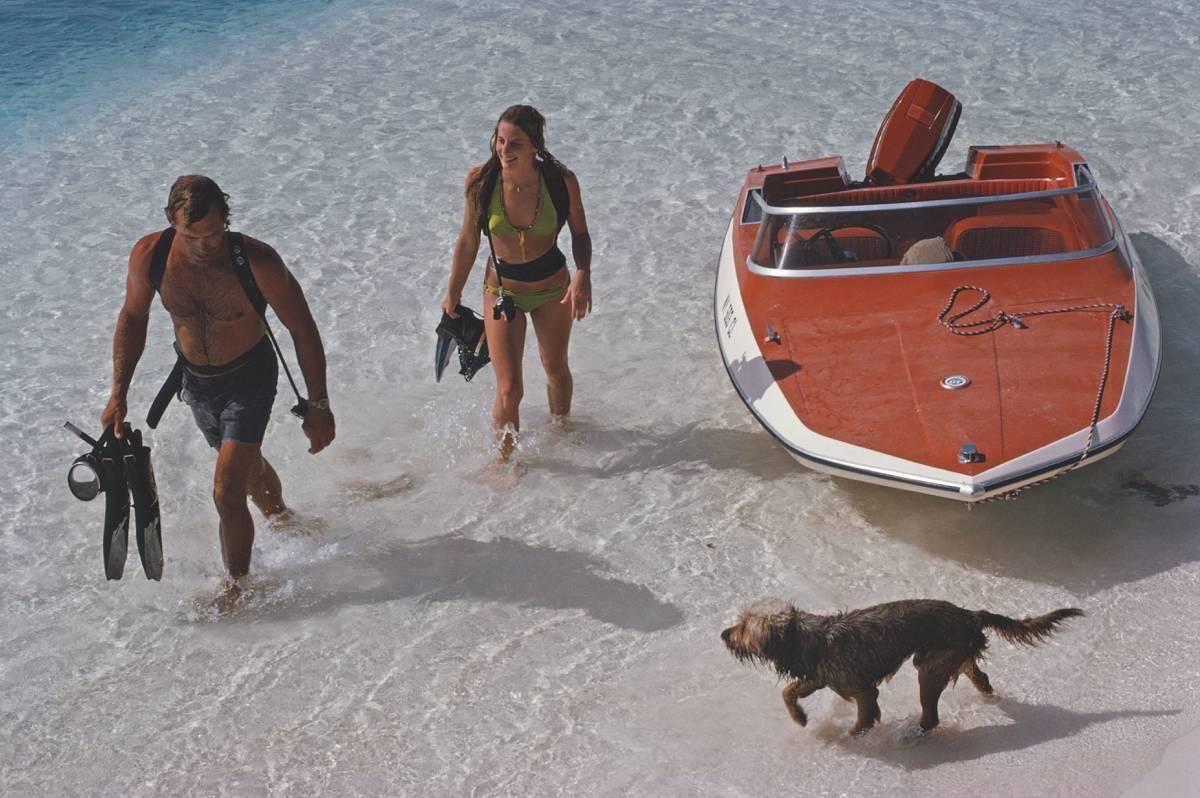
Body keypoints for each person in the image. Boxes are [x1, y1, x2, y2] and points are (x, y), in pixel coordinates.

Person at [101, 175, 335, 595]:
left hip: (250, 378)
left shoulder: (257, 261)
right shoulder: (150, 255)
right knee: (245, 471)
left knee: (226, 492)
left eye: (213, 233)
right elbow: (133, 318)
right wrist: (118, 394)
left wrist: (318, 406)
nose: (204, 245)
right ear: (171, 221)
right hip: (197, 383)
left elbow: (302, 328)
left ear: (227, 218)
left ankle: (238, 587)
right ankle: (282, 516)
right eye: (191, 235)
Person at [441, 105, 592, 459]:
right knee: (509, 389)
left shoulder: (560, 181)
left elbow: (580, 233)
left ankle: (562, 432)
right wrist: (453, 291)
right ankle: (505, 461)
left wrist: (583, 273)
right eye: (500, 140)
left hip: (553, 289)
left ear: (535, 146)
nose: (504, 151)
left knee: (555, 368)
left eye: (516, 144)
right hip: (502, 292)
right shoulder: (481, 182)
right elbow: (467, 241)